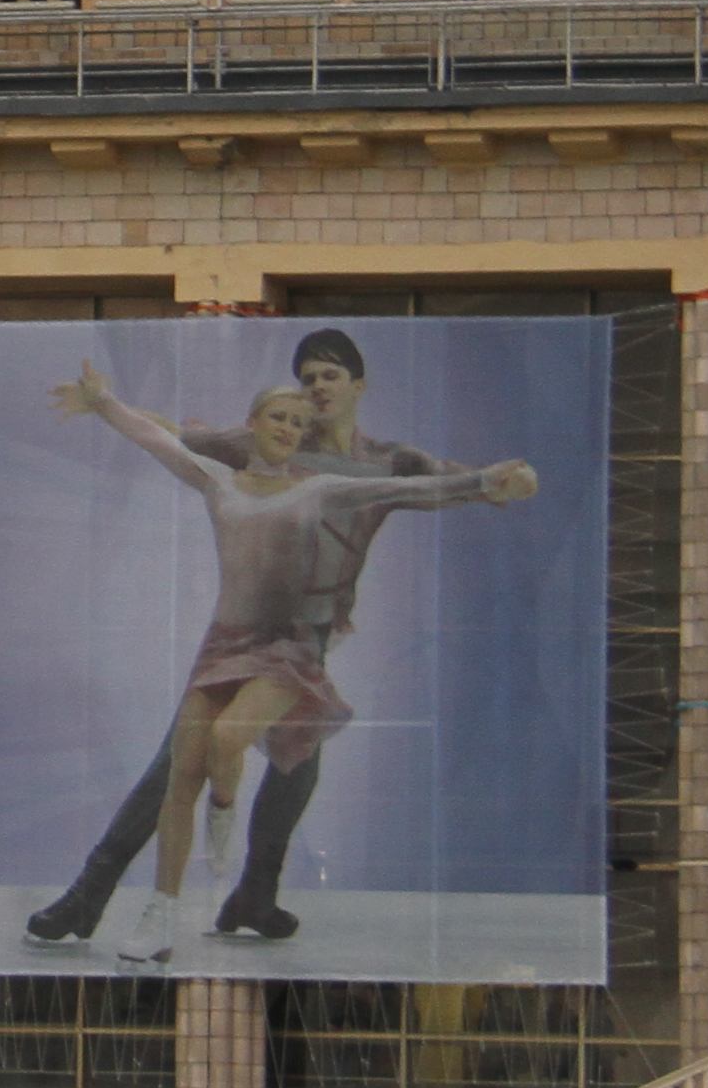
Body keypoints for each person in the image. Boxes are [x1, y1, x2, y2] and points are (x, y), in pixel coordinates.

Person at [28, 329, 536, 948]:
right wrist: (107, 405)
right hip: (242, 635)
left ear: (358, 385)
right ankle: (90, 894)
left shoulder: (386, 460)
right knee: (177, 765)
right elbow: (179, 438)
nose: (316, 389)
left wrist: (499, 482)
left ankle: (254, 894)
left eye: (328, 376)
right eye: (307, 378)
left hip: (306, 642)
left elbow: (438, 482)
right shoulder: (266, 440)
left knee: (296, 766)